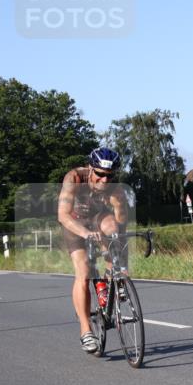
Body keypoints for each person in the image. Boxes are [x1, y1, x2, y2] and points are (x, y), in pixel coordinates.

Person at [57, 147, 128, 353]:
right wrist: (85, 233)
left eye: (110, 176)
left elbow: (120, 222)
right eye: (100, 175)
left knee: (113, 230)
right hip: (74, 222)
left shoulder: (116, 189)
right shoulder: (74, 178)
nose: (105, 180)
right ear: (90, 169)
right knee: (84, 272)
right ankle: (86, 330)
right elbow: (63, 215)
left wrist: (119, 260)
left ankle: (108, 282)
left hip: (97, 217)